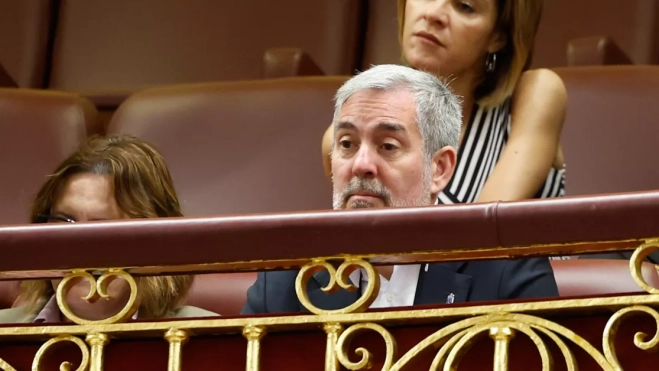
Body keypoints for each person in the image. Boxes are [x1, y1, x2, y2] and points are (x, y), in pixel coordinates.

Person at [242, 65, 558, 315]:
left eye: (388, 146)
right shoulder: (287, 279)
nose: (361, 164)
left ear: (440, 169)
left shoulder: (505, 273)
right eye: (347, 144)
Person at [321, 0, 566, 207]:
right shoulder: (346, 137)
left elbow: (483, 236)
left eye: (464, 6)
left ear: (498, 37)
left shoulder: (537, 92)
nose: (433, 13)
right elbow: (364, 246)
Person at [0, 135, 218, 323]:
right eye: (64, 223)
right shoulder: (6, 332)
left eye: (103, 231)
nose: (78, 250)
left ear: (155, 244)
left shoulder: (211, 337)